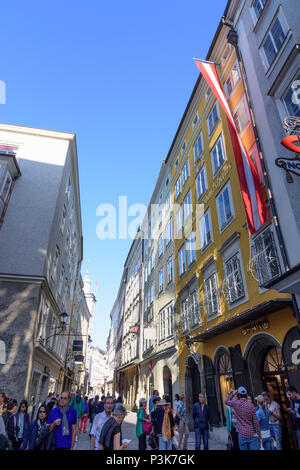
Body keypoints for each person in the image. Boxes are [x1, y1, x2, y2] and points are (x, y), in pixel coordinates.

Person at [286, 385, 300, 450]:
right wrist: (291, 410)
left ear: (294, 392)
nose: (289, 396)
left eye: (290, 394)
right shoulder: (293, 401)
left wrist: (294, 412)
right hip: (298, 426)